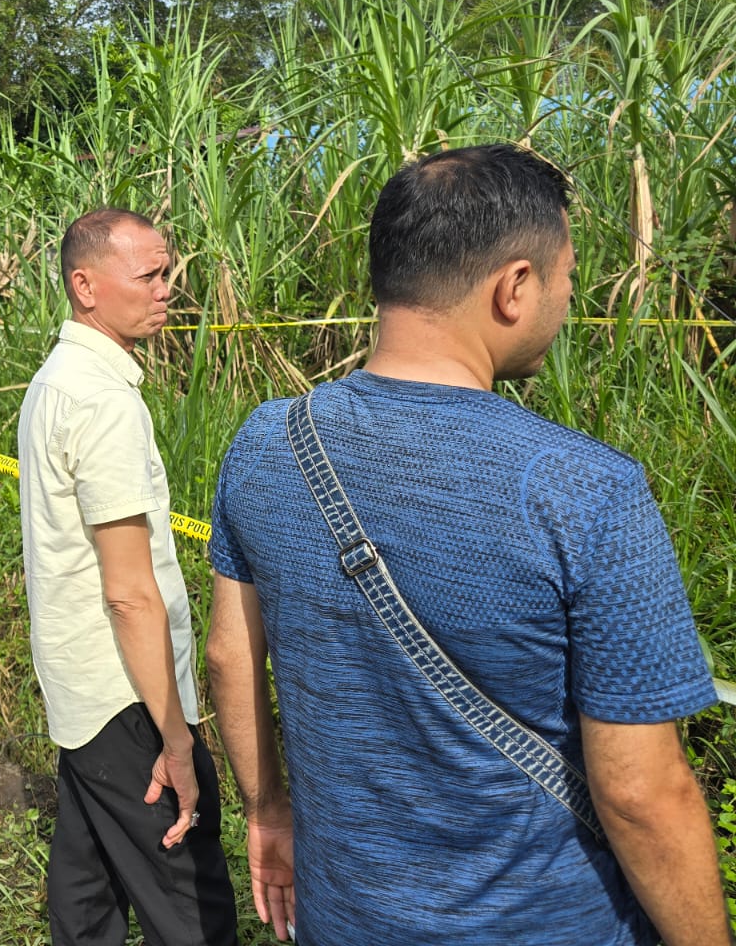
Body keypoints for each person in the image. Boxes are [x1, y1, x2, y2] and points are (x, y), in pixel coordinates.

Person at [204, 144, 726, 946]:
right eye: (565, 283)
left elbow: (230, 658)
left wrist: (268, 810)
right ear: (514, 287)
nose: (565, 303)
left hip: (345, 917)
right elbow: (642, 796)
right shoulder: (585, 490)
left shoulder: (266, 443)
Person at [19, 208, 236, 946]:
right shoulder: (102, 403)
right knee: (190, 896)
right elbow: (128, 591)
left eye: (166, 271)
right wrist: (176, 737)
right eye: (149, 274)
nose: (166, 288)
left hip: (83, 688)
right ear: (85, 285)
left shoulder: (57, 380)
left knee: (87, 888)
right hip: (126, 697)